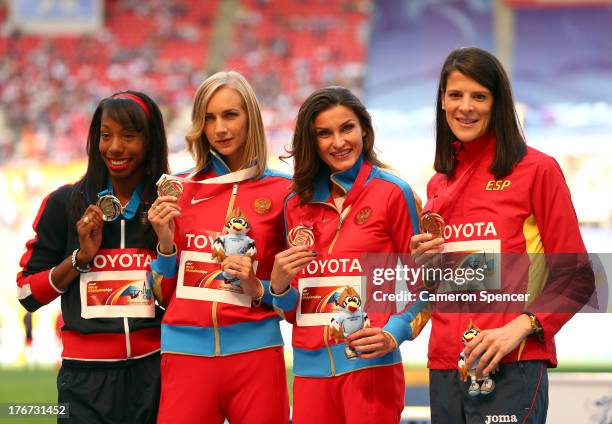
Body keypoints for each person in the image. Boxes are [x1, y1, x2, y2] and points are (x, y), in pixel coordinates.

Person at [408, 47, 593, 423]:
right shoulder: (438, 184)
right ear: (441, 101)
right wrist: (425, 268)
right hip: (446, 365)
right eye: (455, 95)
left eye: (479, 96)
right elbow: (436, 289)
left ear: (498, 103)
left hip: (512, 365)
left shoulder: (537, 170)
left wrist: (519, 328)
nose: (466, 107)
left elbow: (578, 276)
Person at [269, 86, 426, 423]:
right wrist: (279, 288)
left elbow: (425, 286)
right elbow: (294, 311)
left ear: (364, 130)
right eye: (324, 134)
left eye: (347, 128)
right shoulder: (294, 204)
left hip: (371, 370)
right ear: (311, 143)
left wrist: (392, 333)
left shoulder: (393, 193)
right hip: (310, 373)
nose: (338, 142)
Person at [17, 90, 169, 423]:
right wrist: (79, 259)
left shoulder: (167, 206)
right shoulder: (64, 203)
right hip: (84, 381)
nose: (114, 147)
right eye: (105, 135)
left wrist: (167, 244)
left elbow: (179, 296)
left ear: (150, 141)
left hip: (158, 374)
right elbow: (26, 294)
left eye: (128, 136)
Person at [148, 70, 291, 424]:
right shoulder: (178, 189)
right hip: (185, 354)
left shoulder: (285, 191)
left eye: (230, 115)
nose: (220, 129)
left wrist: (257, 286)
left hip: (255, 352)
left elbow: (294, 299)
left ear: (251, 119)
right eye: (209, 118)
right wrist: (165, 245)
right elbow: (165, 295)